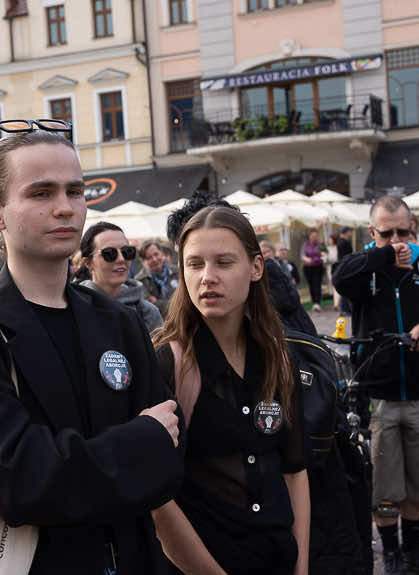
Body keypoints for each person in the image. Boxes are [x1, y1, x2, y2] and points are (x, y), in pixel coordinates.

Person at [0, 126, 183, 574]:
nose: (65, 207)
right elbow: (16, 479)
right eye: (41, 193)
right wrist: (140, 440)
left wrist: (45, 486)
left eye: (75, 191)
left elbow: (168, 464)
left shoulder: (118, 321)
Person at [151, 206, 310, 575]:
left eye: (223, 262)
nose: (207, 277)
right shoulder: (167, 364)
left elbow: (294, 470)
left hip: (275, 556)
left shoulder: (278, 357)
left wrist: (301, 565)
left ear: (255, 268)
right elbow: (158, 499)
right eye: (195, 264)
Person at [333, 196, 419, 575]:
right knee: (385, 485)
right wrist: (383, 255)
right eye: (386, 233)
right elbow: (340, 278)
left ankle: (414, 548)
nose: (397, 239)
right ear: (372, 233)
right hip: (378, 393)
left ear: (414, 228)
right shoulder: (365, 268)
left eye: (403, 232)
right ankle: (390, 551)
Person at [75, 222, 163, 333]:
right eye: (109, 253)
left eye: (127, 252)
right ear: (87, 263)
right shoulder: (73, 307)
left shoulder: (148, 312)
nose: (121, 259)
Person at [260, 240, 317, 336]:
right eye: (262, 253)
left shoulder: (282, 264)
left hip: (293, 302)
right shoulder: (266, 269)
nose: (265, 255)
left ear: (273, 252)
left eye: (267, 252)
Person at [136, 239, 179, 317]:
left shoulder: (177, 272)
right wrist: (177, 303)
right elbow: (147, 308)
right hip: (157, 325)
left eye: (156, 254)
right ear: (143, 261)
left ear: (161, 253)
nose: (154, 259)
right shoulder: (140, 280)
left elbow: (187, 298)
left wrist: (157, 302)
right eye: (149, 258)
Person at [302, 230, 325, 312]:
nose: (314, 237)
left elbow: (325, 254)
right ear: (310, 236)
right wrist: (306, 259)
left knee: (317, 284)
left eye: (316, 236)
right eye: (313, 236)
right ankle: (314, 302)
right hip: (308, 267)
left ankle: (317, 303)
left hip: (318, 267)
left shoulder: (320, 244)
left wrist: (320, 258)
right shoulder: (306, 244)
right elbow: (302, 255)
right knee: (311, 285)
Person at [326, 233, 341, 310]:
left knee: (336, 285)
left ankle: (336, 303)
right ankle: (336, 303)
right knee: (334, 285)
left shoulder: (338, 248)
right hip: (330, 268)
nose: (329, 241)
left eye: (330, 239)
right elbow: (326, 260)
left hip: (338, 267)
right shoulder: (327, 249)